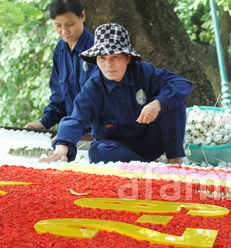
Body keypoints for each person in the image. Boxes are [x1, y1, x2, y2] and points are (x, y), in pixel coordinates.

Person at [42, 23, 192, 164]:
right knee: (97, 151)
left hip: (150, 142)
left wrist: (158, 103)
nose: (108, 65)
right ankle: (145, 166)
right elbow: (75, 119)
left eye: (114, 57)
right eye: (102, 58)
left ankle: (174, 161)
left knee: (174, 101)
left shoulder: (144, 72)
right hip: (116, 148)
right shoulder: (93, 87)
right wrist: (62, 147)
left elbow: (182, 84)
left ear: (127, 58)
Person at [25, 0, 97, 130]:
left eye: (69, 24)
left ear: (82, 16)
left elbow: (99, 101)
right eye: (58, 25)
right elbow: (59, 98)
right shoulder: (60, 50)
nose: (64, 31)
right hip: (71, 132)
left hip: (95, 135)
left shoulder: (98, 51)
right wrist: (44, 122)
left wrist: (70, 133)